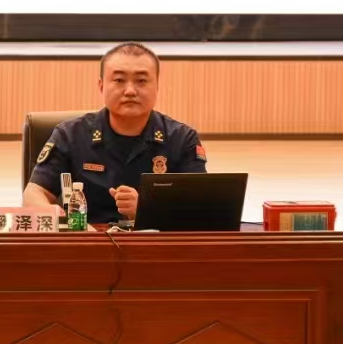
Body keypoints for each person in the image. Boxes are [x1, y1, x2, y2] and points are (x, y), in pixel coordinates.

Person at [23, 42, 207, 226]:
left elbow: (200, 207)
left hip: (155, 240)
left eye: (141, 81)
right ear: (101, 86)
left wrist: (147, 209)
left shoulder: (182, 139)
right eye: (119, 80)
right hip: (89, 238)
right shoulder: (70, 135)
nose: (130, 91)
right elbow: (33, 194)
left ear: (157, 87)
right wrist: (64, 221)